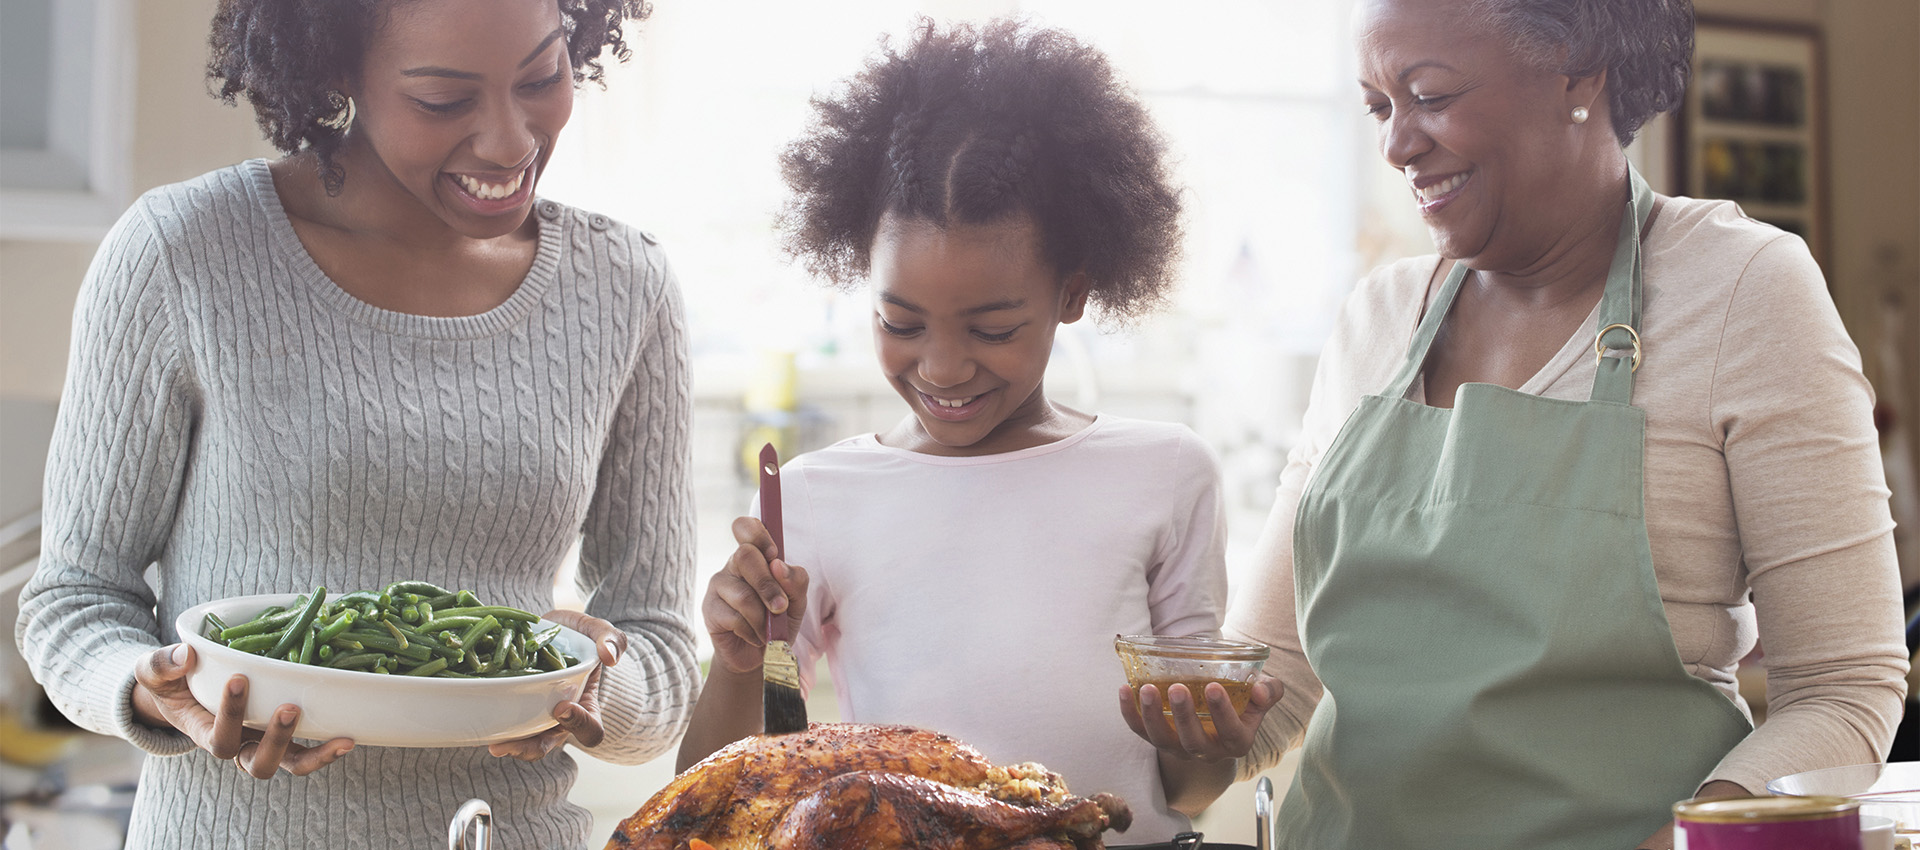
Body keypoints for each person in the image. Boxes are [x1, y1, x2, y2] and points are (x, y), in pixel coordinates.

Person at [1122, 1, 1909, 848]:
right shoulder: (1376, 320)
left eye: (1429, 95)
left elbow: (1844, 686)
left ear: (1578, 72)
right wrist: (1205, 732)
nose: (1396, 146)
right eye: (1381, 108)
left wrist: (1690, 843)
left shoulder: (1744, 291)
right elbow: (1275, 686)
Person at [13, 1, 699, 847]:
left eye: (541, 78)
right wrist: (152, 689)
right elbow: (74, 600)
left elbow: (661, 652)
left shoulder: (625, 287)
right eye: (445, 100)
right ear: (335, 71)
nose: (510, 141)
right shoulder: (183, 253)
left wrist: (593, 685)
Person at [672, 18, 1232, 842]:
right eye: (900, 322)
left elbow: (1190, 793)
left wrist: (1208, 742)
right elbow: (708, 802)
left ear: (1073, 292)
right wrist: (740, 658)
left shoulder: (1168, 474)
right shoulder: (815, 499)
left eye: (992, 328)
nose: (940, 369)